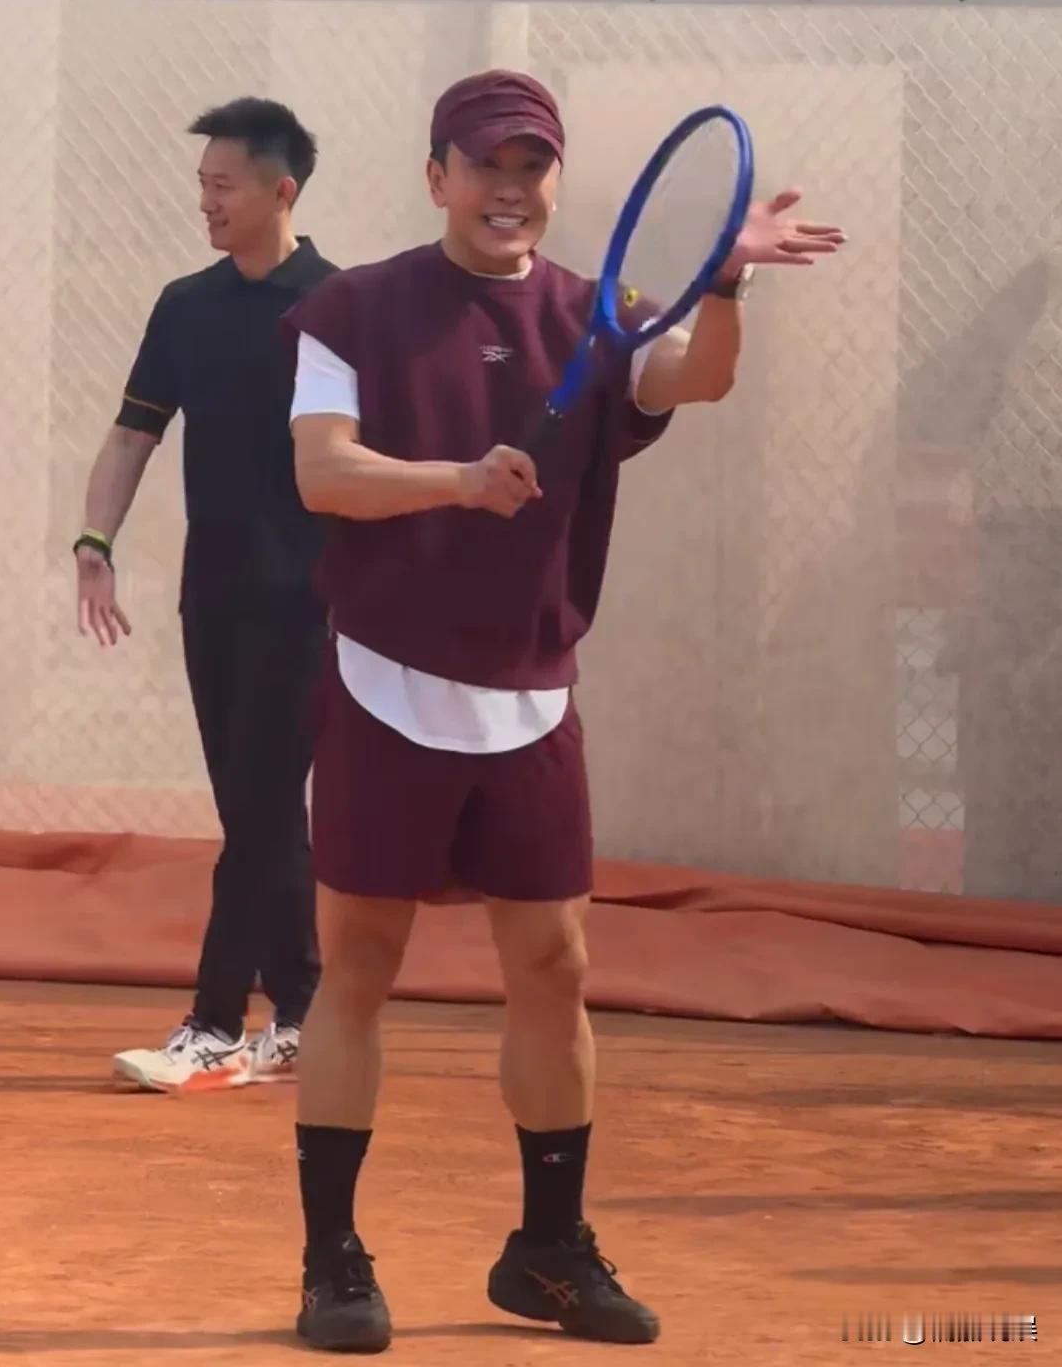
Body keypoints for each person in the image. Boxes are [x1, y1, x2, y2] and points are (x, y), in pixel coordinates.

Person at [284, 70, 845, 1351]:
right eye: (485, 164)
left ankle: (546, 1251)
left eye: (531, 166)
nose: (509, 188)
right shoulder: (353, 308)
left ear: (553, 179)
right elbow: (324, 472)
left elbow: (696, 380)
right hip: (383, 684)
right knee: (358, 966)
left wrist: (723, 280)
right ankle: (332, 1263)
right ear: (437, 176)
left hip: (534, 698)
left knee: (555, 966)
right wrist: (456, 480)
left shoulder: (604, 311)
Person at [75, 97, 337, 1094]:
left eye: (223, 186)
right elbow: (132, 433)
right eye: (202, 185)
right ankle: (304, 1012)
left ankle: (218, 1023)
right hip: (213, 598)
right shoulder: (185, 305)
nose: (206, 203)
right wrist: (94, 541)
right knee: (257, 808)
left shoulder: (340, 306)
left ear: (282, 190)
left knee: (261, 807)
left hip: (308, 601)